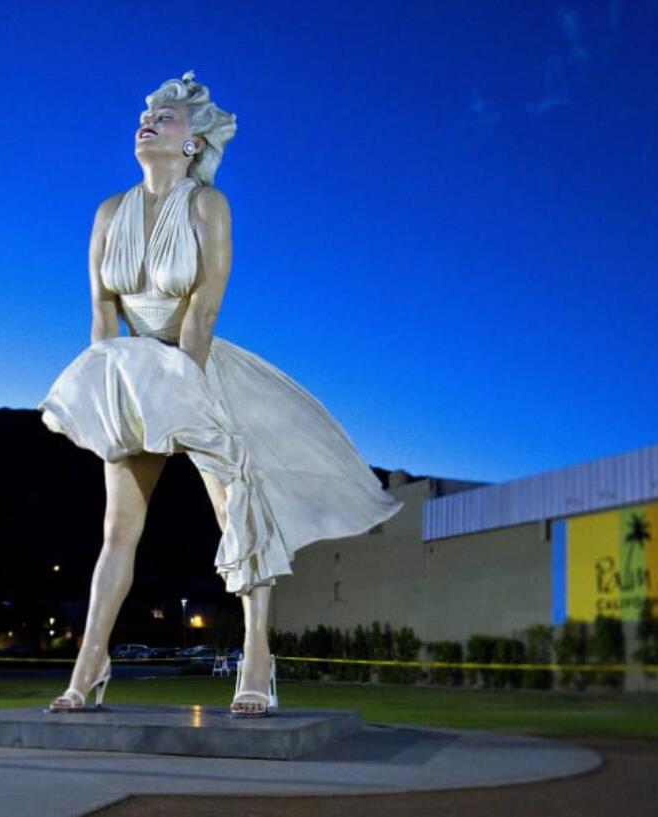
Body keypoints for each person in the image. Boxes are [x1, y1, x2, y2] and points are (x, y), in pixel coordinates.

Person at [39, 71, 403, 717]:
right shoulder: (107, 212)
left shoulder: (209, 205)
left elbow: (204, 308)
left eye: (169, 116)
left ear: (194, 142)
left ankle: (257, 658)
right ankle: (89, 664)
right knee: (117, 528)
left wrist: (184, 389)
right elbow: (101, 313)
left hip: (198, 368)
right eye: (147, 113)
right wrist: (106, 386)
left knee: (240, 514)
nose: (150, 120)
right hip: (128, 371)